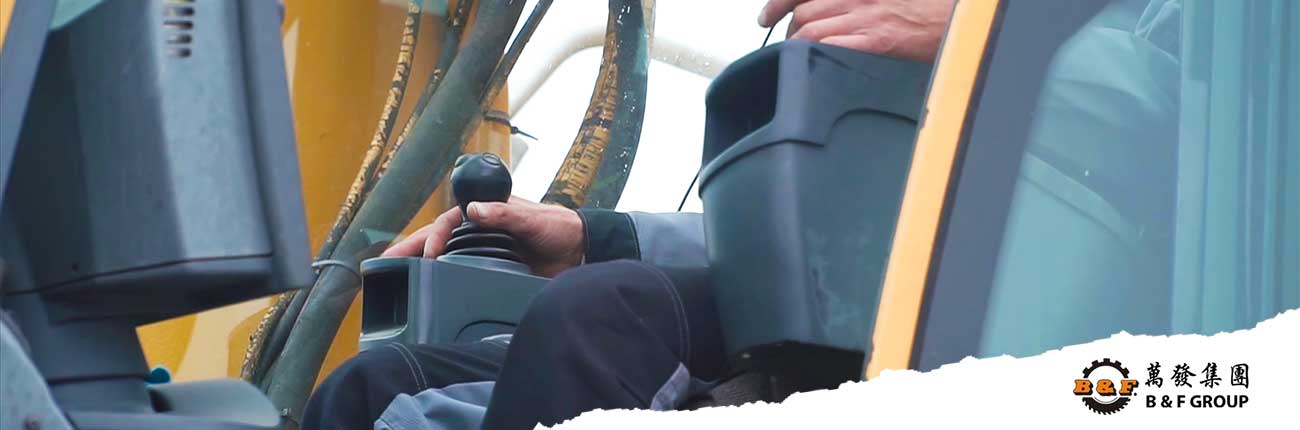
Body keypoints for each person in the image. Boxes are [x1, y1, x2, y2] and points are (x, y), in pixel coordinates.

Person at [301, 1, 955, 429]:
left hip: (953, 317)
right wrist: (592, 239)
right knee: (375, 389)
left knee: (601, 316)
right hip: (836, 280)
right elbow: (807, 238)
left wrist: (978, 25)